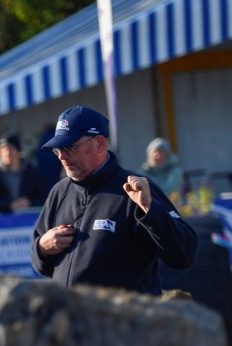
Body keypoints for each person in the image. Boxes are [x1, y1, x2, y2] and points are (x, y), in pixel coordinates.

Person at [31, 105, 197, 295]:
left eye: (70, 147)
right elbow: (40, 265)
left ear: (100, 143)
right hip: (71, 320)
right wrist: (43, 247)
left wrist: (150, 209)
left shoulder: (135, 190)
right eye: (57, 149)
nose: (62, 156)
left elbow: (184, 254)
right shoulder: (59, 192)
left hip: (123, 321)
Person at [0, 134, 47, 214]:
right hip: (3, 221)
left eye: (11, 148)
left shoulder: (33, 172)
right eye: (3, 149)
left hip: (30, 218)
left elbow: (44, 197)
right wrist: (9, 205)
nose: (7, 153)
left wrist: (29, 202)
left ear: (18, 150)